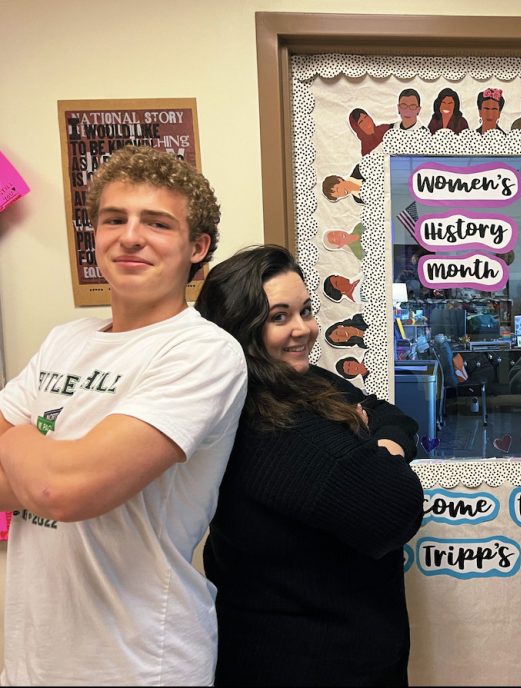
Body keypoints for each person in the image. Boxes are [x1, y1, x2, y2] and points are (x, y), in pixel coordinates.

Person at [0, 145, 248, 685]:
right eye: (115, 219)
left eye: (157, 223)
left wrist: (23, 446)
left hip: (138, 662)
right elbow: (54, 483)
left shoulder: (203, 352)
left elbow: (58, 492)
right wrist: (50, 467)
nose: (130, 236)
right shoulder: (66, 339)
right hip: (30, 657)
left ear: (197, 248)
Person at [194, 244, 424, 686]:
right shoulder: (270, 423)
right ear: (238, 328)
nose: (305, 329)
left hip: (339, 645)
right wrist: (383, 451)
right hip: (304, 659)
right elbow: (396, 509)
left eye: (305, 311)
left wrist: (378, 439)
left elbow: (391, 414)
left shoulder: (299, 380)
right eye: (279, 317)